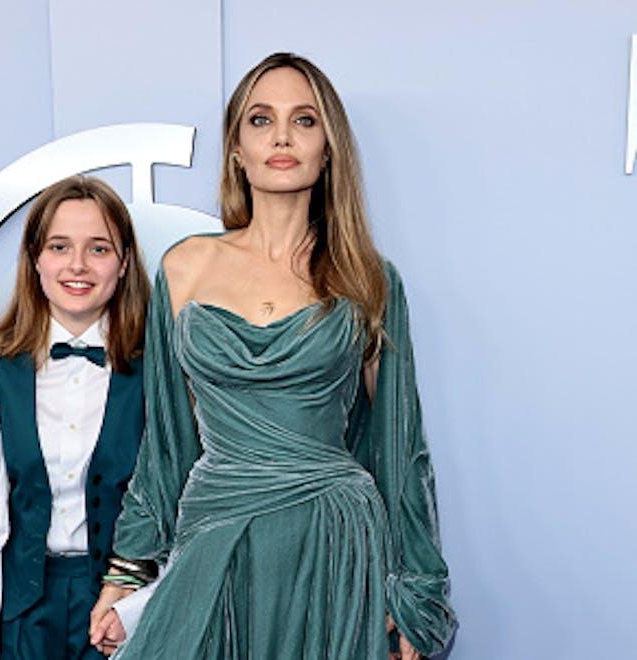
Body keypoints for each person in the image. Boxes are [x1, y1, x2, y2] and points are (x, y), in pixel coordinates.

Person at [89, 52, 458, 660]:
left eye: (304, 120)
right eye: (261, 120)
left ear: (329, 147)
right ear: (236, 147)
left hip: (333, 542)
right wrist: (126, 574)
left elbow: (400, 449)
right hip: (218, 528)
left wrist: (413, 593)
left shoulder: (369, 279)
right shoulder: (184, 268)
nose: (282, 136)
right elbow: (166, 446)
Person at [0, 175, 151, 660]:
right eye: (60, 246)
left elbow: (174, 507)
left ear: (123, 263)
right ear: (35, 258)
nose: (77, 265)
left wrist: (139, 605)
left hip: (121, 609)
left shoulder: (158, 372)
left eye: (98, 249)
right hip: (23, 611)